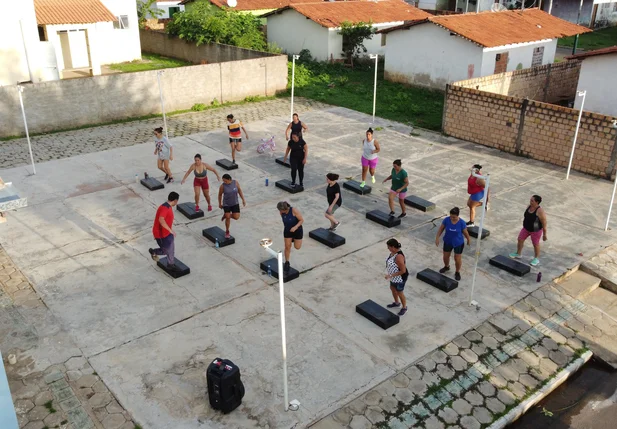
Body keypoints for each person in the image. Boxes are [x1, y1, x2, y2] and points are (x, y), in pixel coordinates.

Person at [509, 195, 547, 266]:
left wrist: (544, 234)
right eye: (530, 200)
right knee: (520, 239)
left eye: (532, 201)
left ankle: (536, 258)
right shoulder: (528, 206)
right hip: (526, 228)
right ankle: (518, 253)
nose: (530, 201)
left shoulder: (540, 211)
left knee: (535, 244)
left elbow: (544, 223)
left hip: (535, 230)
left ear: (537, 202)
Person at [435, 207, 471, 281]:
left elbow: (465, 232)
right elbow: (441, 229)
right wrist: (437, 238)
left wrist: (468, 239)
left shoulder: (462, 223)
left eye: (454, 217)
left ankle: (457, 272)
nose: (452, 218)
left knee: (457, 258)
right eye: (451, 216)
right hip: (448, 242)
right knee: (445, 257)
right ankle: (446, 266)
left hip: (458, 243)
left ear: (458, 216)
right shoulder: (446, 220)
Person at [149, 192, 180, 271]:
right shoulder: (165, 208)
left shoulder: (168, 206)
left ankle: (171, 264)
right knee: (166, 251)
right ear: (175, 200)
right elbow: (161, 220)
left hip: (167, 233)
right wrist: (170, 230)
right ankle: (154, 252)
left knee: (171, 249)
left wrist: (170, 231)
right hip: (161, 234)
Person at [277, 201, 304, 274]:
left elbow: (301, 220)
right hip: (288, 230)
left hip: (297, 230)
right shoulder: (281, 213)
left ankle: (293, 240)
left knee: (297, 247)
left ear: (285, 209)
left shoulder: (294, 210)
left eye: (281, 210)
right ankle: (287, 262)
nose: (280, 212)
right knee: (287, 247)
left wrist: (295, 227)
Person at [385, 238, 409, 316]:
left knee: (400, 292)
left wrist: (391, 275)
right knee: (392, 288)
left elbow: (403, 271)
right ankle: (396, 303)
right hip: (393, 276)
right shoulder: (393, 253)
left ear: (393, 247)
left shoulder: (399, 257)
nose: (388, 248)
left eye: (388, 247)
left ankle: (404, 307)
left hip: (400, 278)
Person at [218, 174, 246, 239]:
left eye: (225, 181)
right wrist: (220, 203)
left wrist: (243, 200)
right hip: (226, 204)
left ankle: (226, 215)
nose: (224, 182)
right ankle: (227, 231)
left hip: (235, 203)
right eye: (223, 181)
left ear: (229, 179)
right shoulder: (222, 186)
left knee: (236, 217)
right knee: (228, 218)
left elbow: (239, 190)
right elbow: (219, 195)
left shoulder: (235, 183)